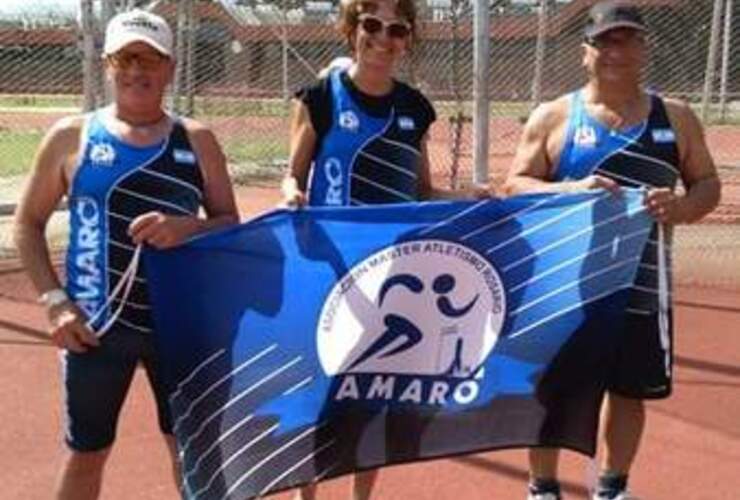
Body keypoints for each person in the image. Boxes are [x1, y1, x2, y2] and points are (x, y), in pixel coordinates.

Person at [13, 9, 238, 500]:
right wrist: (55, 301)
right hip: (95, 330)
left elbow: (229, 226)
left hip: (180, 328)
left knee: (191, 451)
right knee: (86, 452)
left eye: (150, 59)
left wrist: (189, 228)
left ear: (170, 68)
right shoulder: (71, 136)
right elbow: (27, 224)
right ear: (108, 64)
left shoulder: (196, 140)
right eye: (126, 58)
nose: (138, 70)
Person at [503, 2, 721, 499]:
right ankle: (541, 487)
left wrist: (682, 208)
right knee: (553, 388)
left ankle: (611, 487)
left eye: (627, 40)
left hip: (642, 282)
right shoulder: (554, 116)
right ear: (585, 52)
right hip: (565, 285)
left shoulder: (677, 117)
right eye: (604, 42)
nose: (615, 52)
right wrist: (569, 190)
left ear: (644, 49)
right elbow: (515, 184)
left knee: (628, 390)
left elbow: (707, 183)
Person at [282, 1, 483, 498]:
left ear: (408, 39)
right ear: (353, 30)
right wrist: (291, 192)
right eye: (371, 25)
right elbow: (294, 172)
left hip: (391, 278)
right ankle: (308, 494)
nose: (382, 37)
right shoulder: (321, 98)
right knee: (317, 393)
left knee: (370, 396)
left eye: (396, 29)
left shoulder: (415, 108)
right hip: (326, 273)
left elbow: (420, 193)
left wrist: (471, 199)